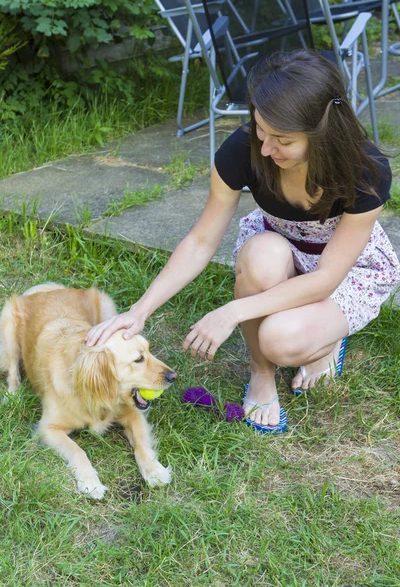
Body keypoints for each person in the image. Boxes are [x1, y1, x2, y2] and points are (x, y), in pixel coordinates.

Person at [86, 50, 400, 431]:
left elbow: (326, 278)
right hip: (279, 246)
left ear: (323, 133)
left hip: (341, 268)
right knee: (260, 254)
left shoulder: (365, 172)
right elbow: (201, 241)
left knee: (281, 339)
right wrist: (140, 310)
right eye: (261, 130)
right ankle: (261, 373)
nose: (266, 149)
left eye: (282, 140)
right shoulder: (243, 149)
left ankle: (327, 341)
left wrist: (232, 311)